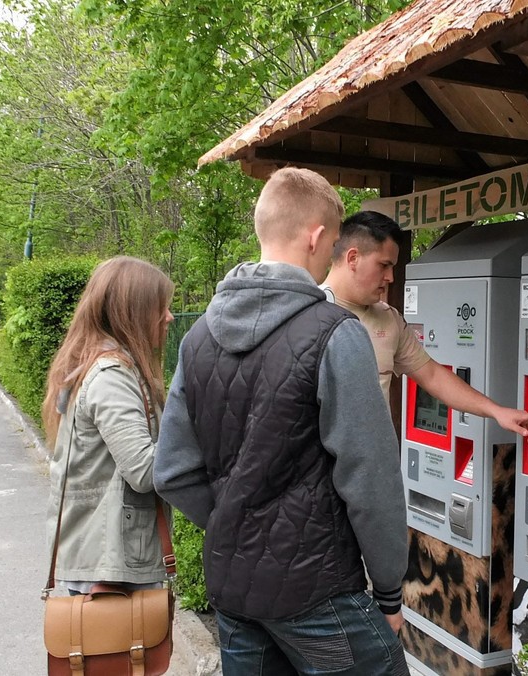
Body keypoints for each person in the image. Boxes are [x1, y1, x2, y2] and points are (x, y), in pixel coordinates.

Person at [153, 168, 409, 676]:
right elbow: (370, 477)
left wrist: (239, 523)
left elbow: (172, 471)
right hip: (317, 593)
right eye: (335, 240)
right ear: (317, 236)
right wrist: (389, 590)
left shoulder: (197, 338)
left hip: (234, 587)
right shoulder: (337, 333)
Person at [322, 210, 528, 440]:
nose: (390, 277)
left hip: (374, 468)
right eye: (384, 265)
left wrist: (497, 411)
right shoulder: (307, 314)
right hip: (321, 470)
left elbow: (432, 375)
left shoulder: (389, 319)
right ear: (353, 258)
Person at [42, 256, 176, 596]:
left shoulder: (96, 366)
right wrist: (195, 428)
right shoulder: (112, 376)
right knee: (121, 649)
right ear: (132, 312)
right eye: (161, 307)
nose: (169, 317)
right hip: (112, 572)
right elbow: (145, 471)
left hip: (104, 560)